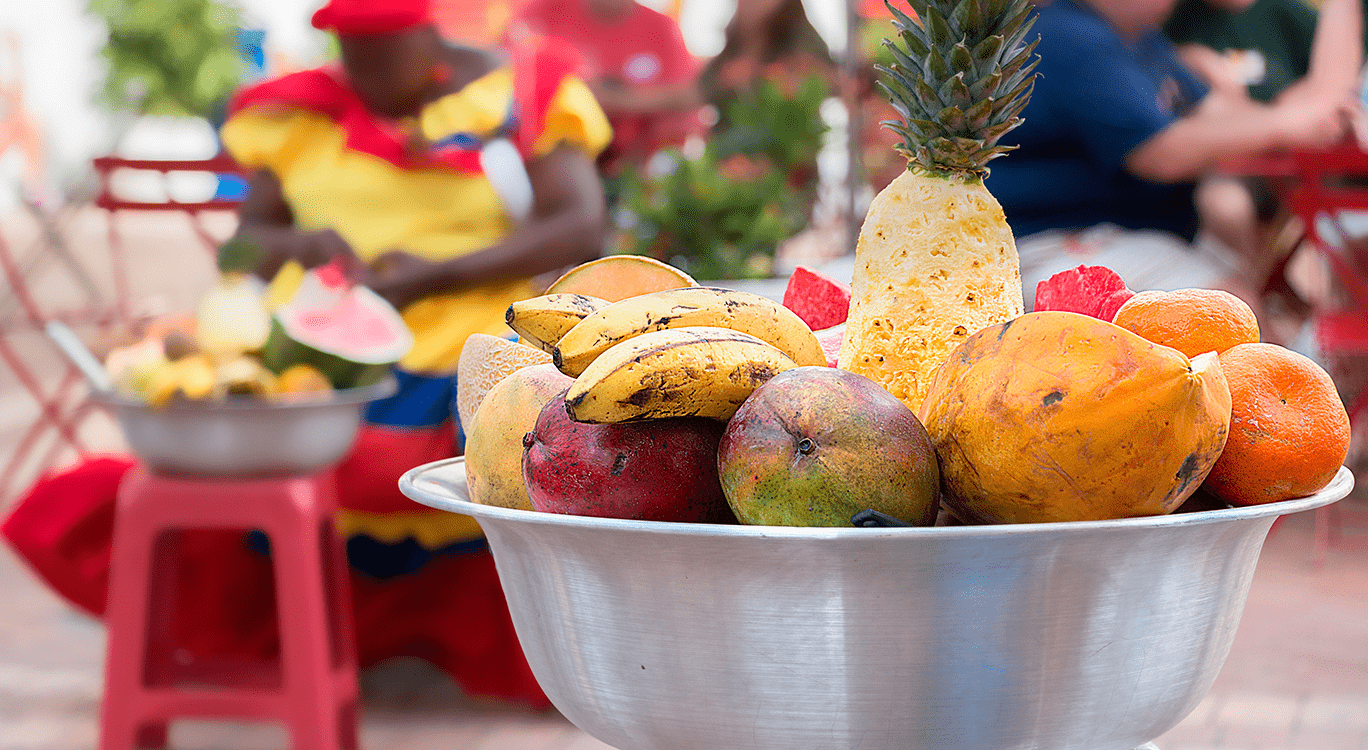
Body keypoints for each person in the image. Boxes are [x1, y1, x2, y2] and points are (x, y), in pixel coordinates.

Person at [2, 0, 611, 710]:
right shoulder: (299, 115)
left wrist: (434, 274)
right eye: (351, 51)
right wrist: (305, 247)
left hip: (474, 345)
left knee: (477, 461)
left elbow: (579, 225)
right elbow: (242, 245)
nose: (366, 74)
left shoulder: (526, 92)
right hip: (318, 348)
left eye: (384, 50)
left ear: (427, 32)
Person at [984, 0, 1357, 319]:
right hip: (1053, 243)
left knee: (1248, 308)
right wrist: (1289, 124)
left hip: (1121, 235)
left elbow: (1221, 114)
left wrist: (1302, 117)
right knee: (1231, 310)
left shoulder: (1142, 38)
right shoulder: (1069, 34)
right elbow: (1160, 152)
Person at [1163, 0, 1366, 329]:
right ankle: (1245, 318)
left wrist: (1291, 113)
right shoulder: (1173, 21)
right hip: (1230, 166)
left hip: (1298, 165)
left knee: (1344, 222)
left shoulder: (1287, 14)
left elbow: (1333, 82)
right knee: (1224, 205)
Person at [509, 0, 701, 175]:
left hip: (631, 167)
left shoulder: (661, 28)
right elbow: (505, 67)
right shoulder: (546, 8)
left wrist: (611, 98)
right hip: (543, 159)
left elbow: (690, 95)